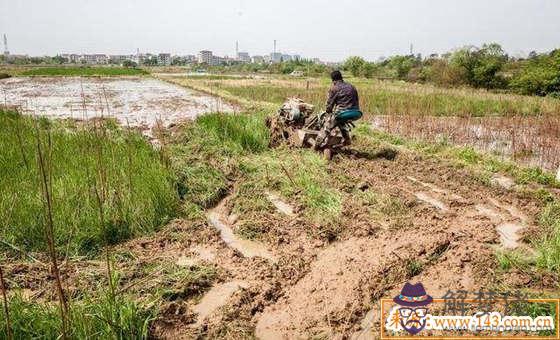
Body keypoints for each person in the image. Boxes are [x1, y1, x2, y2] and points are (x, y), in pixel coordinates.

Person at [316, 70, 362, 148]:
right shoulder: (352, 86)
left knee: (327, 126)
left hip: (343, 113)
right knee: (341, 121)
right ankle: (347, 140)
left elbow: (329, 106)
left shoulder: (334, 88)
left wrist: (328, 113)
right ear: (341, 77)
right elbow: (356, 100)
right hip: (356, 113)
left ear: (333, 80)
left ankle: (316, 146)